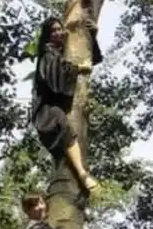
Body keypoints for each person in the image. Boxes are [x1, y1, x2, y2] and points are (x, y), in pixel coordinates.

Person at [31, 16, 101, 193]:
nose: (58, 33)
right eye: (53, 30)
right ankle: (82, 173)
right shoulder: (47, 53)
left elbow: (92, 59)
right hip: (47, 111)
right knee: (62, 122)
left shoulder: (63, 51)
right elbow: (56, 80)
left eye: (59, 29)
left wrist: (92, 35)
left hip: (59, 109)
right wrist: (77, 68)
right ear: (47, 35)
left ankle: (77, 175)